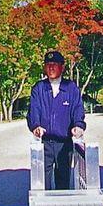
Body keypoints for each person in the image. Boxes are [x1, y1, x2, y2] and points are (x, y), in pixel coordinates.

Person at [27, 50, 86, 190]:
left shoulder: (70, 88)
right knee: (41, 182)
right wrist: (35, 126)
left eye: (55, 65)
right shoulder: (39, 88)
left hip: (64, 143)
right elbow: (33, 110)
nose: (51, 68)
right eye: (48, 65)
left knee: (63, 181)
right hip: (44, 142)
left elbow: (78, 109)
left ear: (62, 67)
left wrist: (78, 125)